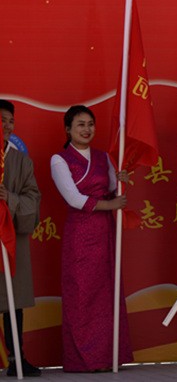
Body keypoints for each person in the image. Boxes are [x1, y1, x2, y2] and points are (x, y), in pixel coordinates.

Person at [50, 105, 132, 372]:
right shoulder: (59, 160)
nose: (86, 130)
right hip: (80, 234)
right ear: (68, 129)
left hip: (105, 232)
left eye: (90, 124)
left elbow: (111, 189)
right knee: (82, 294)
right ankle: (83, 360)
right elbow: (73, 198)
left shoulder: (103, 156)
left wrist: (120, 180)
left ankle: (107, 357)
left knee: (105, 293)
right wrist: (111, 205)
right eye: (80, 125)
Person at [0, 100, 41, 377]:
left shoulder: (21, 161)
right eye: (1, 120)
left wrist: (10, 199)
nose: (6, 125)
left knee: (12, 299)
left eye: (10, 120)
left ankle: (17, 358)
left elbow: (33, 199)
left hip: (10, 238)